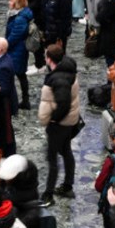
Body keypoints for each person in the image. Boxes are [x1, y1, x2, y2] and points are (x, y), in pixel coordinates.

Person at [37, 44, 81, 206]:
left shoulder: (59, 79)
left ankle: (48, 195)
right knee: (66, 151)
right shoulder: (68, 70)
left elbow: (63, 104)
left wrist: (53, 119)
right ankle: (67, 186)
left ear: (49, 58)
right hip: (70, 120)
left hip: (60, 124)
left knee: (52, 158)